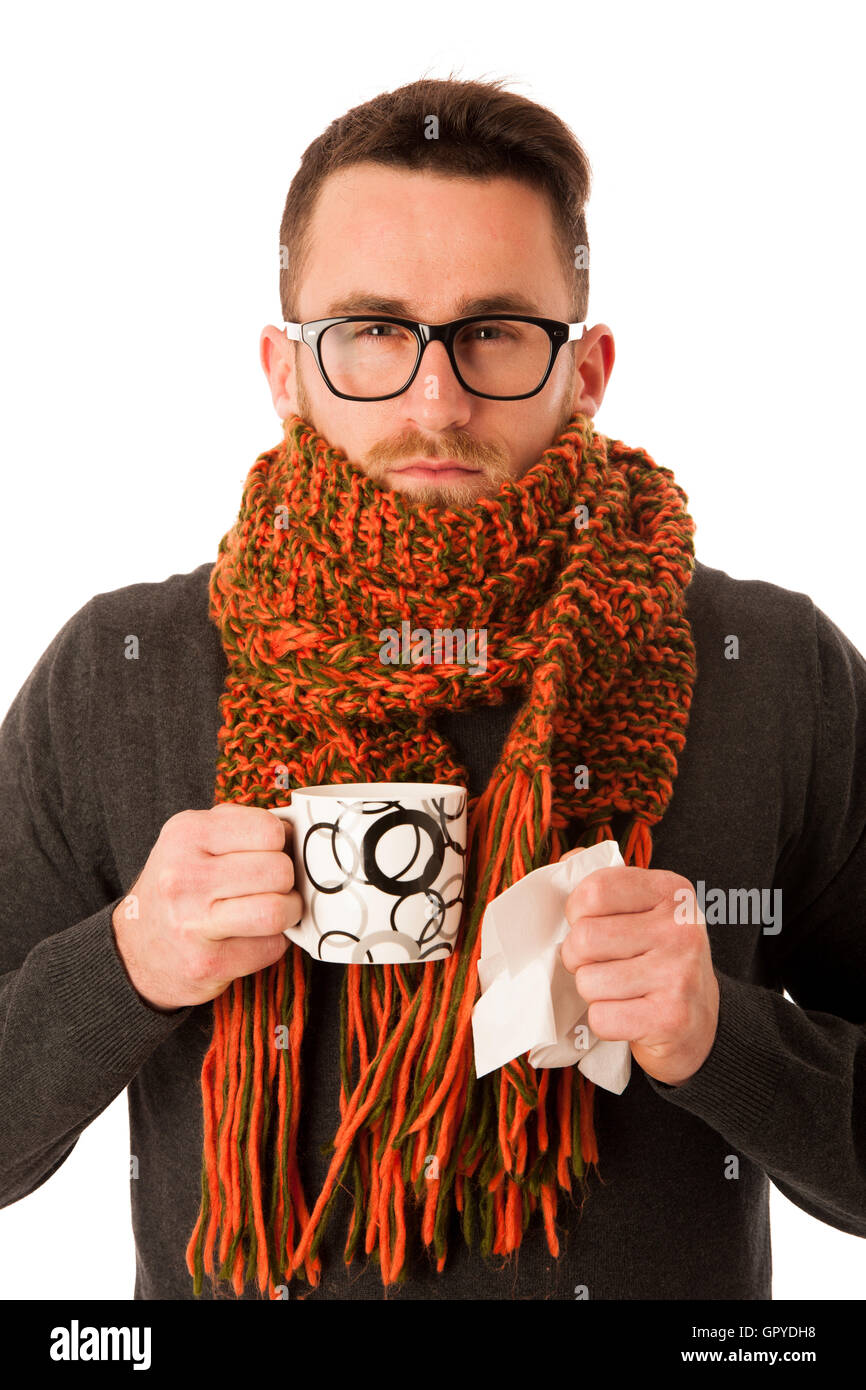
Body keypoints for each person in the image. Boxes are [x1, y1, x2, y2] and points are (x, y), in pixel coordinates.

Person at [1, 75, 864, 1302]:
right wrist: (125, 962)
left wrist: (722, 1038)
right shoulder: (120, 670)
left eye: (493, 332)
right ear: (284, 369)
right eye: (372, 330)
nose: (434, 400)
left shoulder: (769, 664)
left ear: (588, 367)